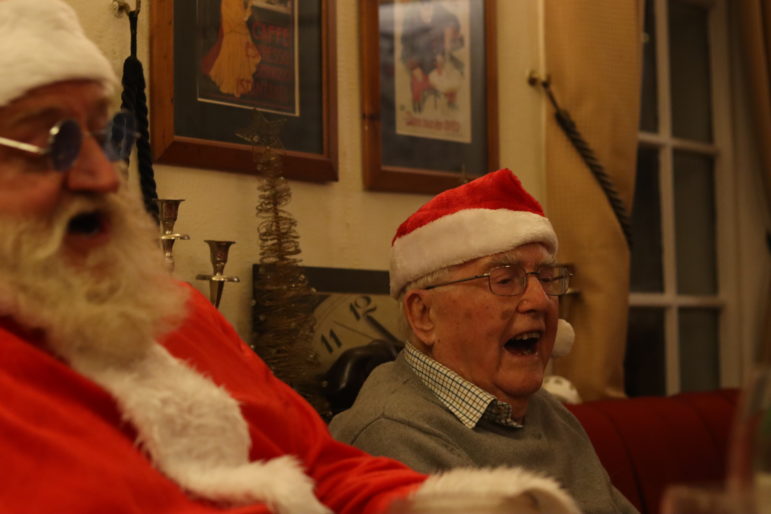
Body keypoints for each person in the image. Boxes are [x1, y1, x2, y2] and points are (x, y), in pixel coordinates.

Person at [0, 1, 582, 513]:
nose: (104, 175)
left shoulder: (173, 312)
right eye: (54, 142)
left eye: (107, 136)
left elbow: (322, 465)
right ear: (420, 314)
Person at [329, 169, 639, 514]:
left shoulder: (547, 410)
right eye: (505, 280)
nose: (540, 301)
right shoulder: (389, 437)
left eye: (548, 278)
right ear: (423, 315)